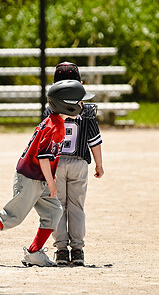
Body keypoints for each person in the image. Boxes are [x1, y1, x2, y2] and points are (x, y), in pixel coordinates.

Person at [0, 79, 95, 267]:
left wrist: (50, 177)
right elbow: (43, 157)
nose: (82, 105)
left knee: (54, 211)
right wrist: (52, 182)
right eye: (79, 102)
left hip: (39, 177)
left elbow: (47, 156)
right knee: (12, 218)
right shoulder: (56, 127)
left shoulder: (55, 122)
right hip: (30, 178)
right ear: (67, 105)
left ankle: (34, 252)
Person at [42, 62, 104, 266]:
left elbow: (45, 139)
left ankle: (61, 250)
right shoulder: (85, 110)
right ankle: (77, 250)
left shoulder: (50, 108)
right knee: (77, 206)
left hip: (57, 163)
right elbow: (94, 140)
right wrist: (99, 164)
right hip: (79, 163)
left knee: (57, 206)